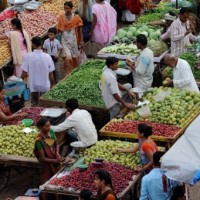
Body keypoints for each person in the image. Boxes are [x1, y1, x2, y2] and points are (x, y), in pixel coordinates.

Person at [21, 36, 55, 106]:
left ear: (32, 44)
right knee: (45, 105)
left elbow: (24, 73)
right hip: (45, 85)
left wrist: (21, 80)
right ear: (42, 44)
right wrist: (53, 83)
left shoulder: (28, 56)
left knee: (34, 105)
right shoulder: (47, 56)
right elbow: (51, 73)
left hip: (33, 85)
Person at [34, 118, 65, 184]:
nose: (49, 127)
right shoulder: (39, 141)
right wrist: (56, 160)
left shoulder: (51, 132)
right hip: (45, 164)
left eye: (49, 125)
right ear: (40, 127)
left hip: (54, 158)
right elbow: (42, 158)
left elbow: (56, 144)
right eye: (46, 126)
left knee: (57, 179)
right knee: (46, 181)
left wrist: (57, 153)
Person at [57, 1, 84, 76]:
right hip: (64, 40)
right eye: (65, 8)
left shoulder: (76, 17)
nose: (66, 10)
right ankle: (68, 74)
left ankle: (76, 72)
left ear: (71, 9)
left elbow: (80, 30)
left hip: (74, 40)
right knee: (68, 58)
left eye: (68, 8)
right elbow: (59, 31)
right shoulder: (61, 18)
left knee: (75, 57)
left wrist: (81, 40)